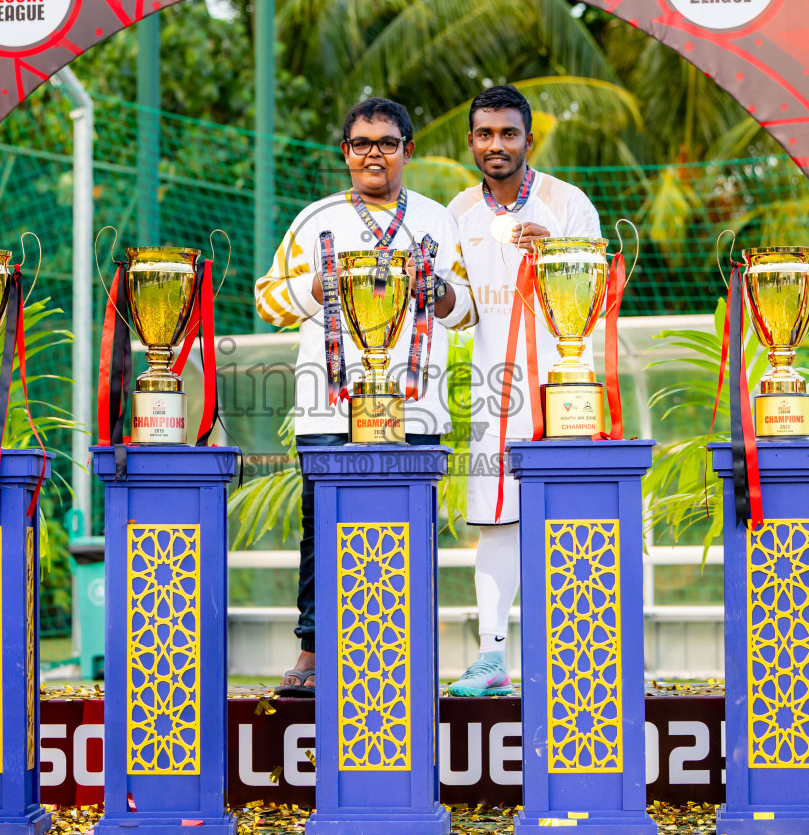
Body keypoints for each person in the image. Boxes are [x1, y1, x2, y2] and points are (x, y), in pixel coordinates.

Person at [254, 96, 477, 696]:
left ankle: (407, 650)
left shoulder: (437, 219)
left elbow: (469, 310)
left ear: (408, 150)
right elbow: (267, 300)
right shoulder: (314, 220)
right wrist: (325, 284)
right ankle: (311, 649)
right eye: (361, 144)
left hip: (415, 401)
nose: (373, 154)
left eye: (386, 143)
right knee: (320, 530)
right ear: (345, 153)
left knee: (409, 529)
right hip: (328, 401)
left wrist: (439, 291)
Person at [445, 84, 603, 696]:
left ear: (528, 140)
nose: (496, 145)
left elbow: (601, 292)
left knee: (571, 519)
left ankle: (578, 655)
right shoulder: (457, 212)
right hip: (494, 390)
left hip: (566, 388)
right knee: (496, 523)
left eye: (508, 133)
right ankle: (492, 658)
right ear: (471, 142)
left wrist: (561, 252)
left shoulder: (568, 203)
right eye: (485, 134)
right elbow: (457, 308)